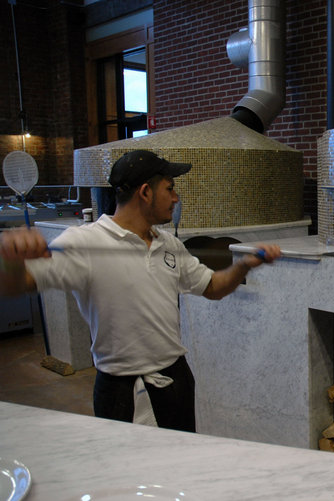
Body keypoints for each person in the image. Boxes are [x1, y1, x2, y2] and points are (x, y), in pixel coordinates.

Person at [0, 150, 281, 432]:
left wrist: (244, 265)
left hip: (175, 380)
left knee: (182, 457)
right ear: (146, 192)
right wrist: (11, 259)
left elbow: (213, 288)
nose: (176, 198)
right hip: (118, 388)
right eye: (170, 189)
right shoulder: (84, 242)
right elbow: (17, 284)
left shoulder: (169, 244)